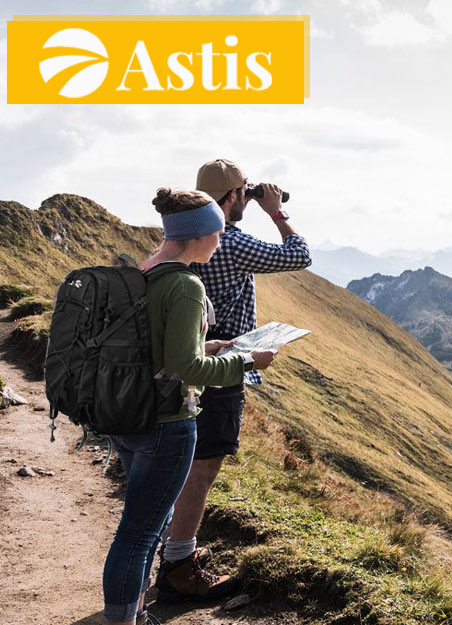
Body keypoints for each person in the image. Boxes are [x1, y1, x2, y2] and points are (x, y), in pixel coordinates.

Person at [104, 188, 277, 625]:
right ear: (198, 235)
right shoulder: (185, 285)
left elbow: (163, 348)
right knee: (141, 531)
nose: (220, 240)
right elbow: (188, 368)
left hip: (129, 412)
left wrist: (210, 345)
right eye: (217, 232)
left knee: (141, 523)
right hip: (168, 422)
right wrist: (244, 362)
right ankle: (124, 618)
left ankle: (133, 613)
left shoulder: (145, 271)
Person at [155, 159, 311, 600]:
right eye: (244, 191)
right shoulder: (232, 242)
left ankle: (175, 552)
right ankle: (177, 567)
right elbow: (299, 255)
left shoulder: (181, 238)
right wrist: (277, 212)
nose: (250, 196)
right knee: (202, 469)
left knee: (186, 463)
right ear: (232, 197)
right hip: (221, 368)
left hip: (184, 360)